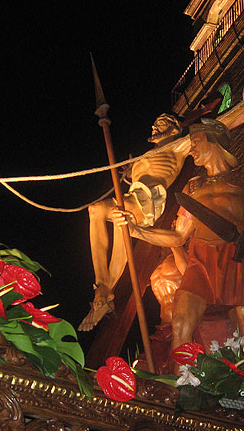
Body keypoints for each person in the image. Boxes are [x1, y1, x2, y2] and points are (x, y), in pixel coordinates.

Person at [112, 118, 244, 357]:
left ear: (214, 142)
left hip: (236, 260)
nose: (191, 148)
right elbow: (177, 236)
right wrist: (136, 230)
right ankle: (184, 386)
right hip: (201, 261)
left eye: (196, 142)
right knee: (181, 322)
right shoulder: (193, 188)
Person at [79, 113, 190, 331]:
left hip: (147, 201)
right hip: (133, 196)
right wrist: (130, 171)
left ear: (175, 128)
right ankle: (105, 290)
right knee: (107, 222)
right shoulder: (150, 153)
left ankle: (103, 287)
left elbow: (223, 124)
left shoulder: (178, 146)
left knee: (103, 212)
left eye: (161, 125)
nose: (154, 128)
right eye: (154, 124)